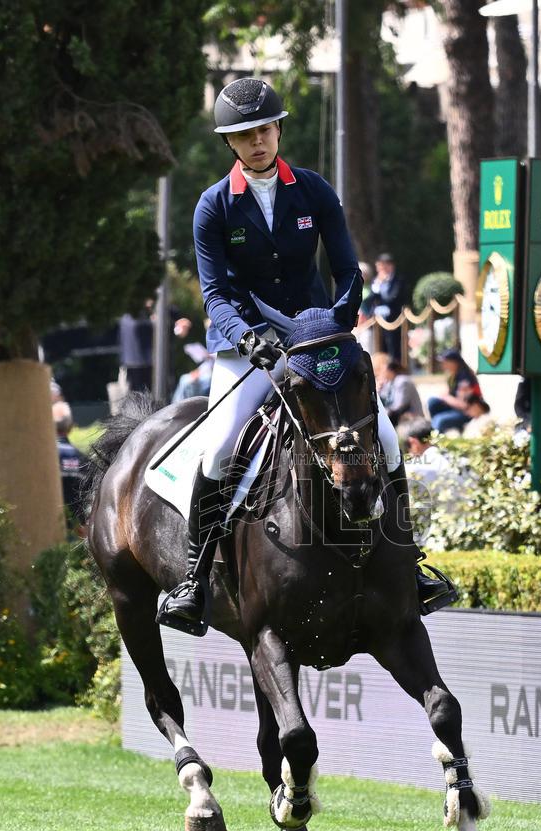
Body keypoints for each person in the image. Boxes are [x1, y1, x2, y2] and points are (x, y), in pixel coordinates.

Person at [157, 77, 453, 634]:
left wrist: (335, 323)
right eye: (245, 135)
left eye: (264, 130)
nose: (257, 142)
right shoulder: (213, 206)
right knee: (218, 449)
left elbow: (347, 271)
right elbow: (215, 294)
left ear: (278, 130)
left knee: (386, 437)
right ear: (230, 143)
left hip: (315, 342)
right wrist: (246, 337)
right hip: (249, 347)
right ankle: (195, 579)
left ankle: (410, 567)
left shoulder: (313, 190)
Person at [427, 349, 481, 434]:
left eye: (445, 362)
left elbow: (463, 405)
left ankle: (437, 436)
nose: (443, 365)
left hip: (468, 413)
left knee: (439, 420)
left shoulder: (465, 377)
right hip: (456, 408)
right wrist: (446, 396)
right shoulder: (452, 376)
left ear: (454, 362)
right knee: (433, 402)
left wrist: (446, 397)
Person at [364, 253, 405, 361]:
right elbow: (371, 299)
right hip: (377, 320)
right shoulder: (375, 281)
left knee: (393, 346)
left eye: (384, 266)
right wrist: (378, 285)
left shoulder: (398, 280)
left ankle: (394, 366)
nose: (382, 269)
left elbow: (391, 298)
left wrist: (383, 284)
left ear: (391, 266)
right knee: (380, 346)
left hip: (393, 319)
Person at [53, 401, 87, 529]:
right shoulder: (82, 457)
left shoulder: (41, 459)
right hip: (78, 528)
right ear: (71, 427)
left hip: (50, 525)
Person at [371, 352, 424, 426]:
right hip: (398, 420)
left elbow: (397, 407)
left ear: (387, 368)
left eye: (379, 371)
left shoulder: (403, 381)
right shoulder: (389, 383)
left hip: (412, 422)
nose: (378, 375)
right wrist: (376, 391)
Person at [119, 303, 154, 392]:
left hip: (132, 361)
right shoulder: (139, 317)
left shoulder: (125, 317)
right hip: (141, 361)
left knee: (135, 391)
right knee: (145, 391)